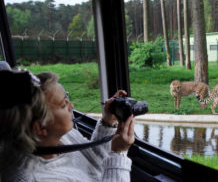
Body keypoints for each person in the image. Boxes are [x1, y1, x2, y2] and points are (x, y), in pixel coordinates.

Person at [0, 64, 135, 182]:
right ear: (40, 127)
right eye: (62, 105)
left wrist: (107, 123)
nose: (71, 106)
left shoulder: (58, 136)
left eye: (67, 99)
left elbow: (95, 161)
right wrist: (119, 154)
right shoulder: (35, 178)